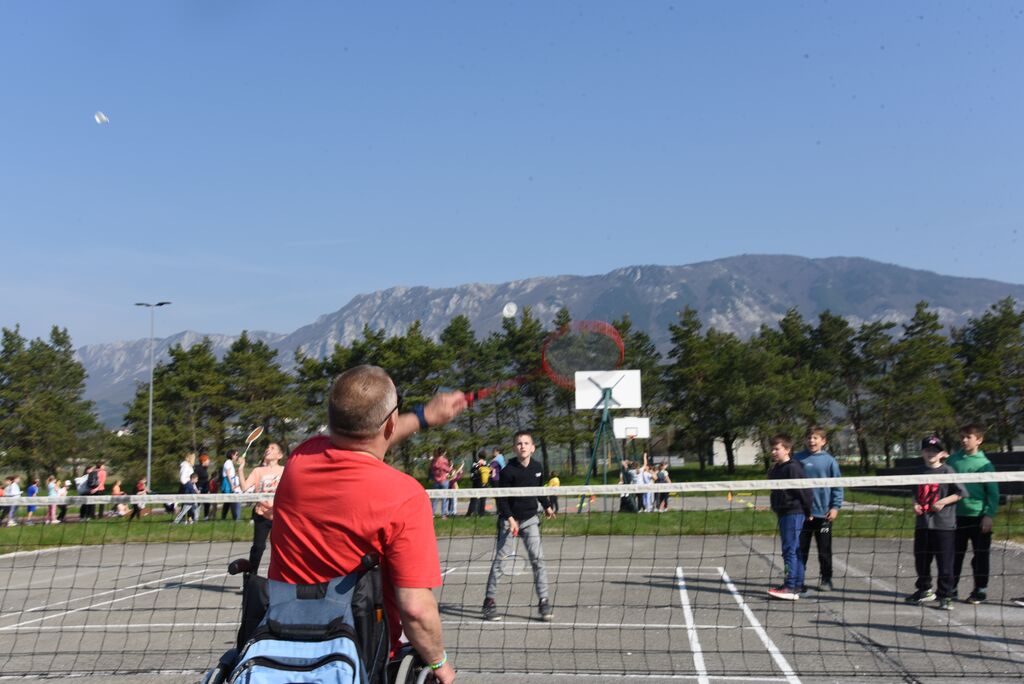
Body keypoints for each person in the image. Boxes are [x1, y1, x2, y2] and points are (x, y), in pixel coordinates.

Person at [269, 365, 466, 684]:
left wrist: (424, 416)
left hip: (281, 645)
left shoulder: (300, 459)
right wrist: (440, 663)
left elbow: (363, 433)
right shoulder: (405, 496)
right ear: (391, 423)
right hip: (362, 655)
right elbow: (415, 610)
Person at [482, 430, 557, 622]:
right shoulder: (508, 471)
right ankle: (489, 601)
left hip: (530, 519)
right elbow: (502, 499)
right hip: (509, 521)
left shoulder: (537, 467)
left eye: (526, 443)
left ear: (532, 448)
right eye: (519, 443)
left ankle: (544, 601)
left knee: (538, 559)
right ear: (514, 448)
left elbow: (539, 490)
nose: (522, 446)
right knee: (500, 561)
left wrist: (547, 506)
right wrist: (510, 519)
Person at [905, 436, 967, 611]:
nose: (931, 453)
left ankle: (946, 595)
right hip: (923, 523)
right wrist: (915, 504)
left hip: (944, 525)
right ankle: (924, 589)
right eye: (927, 450)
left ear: (942, 454)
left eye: (935, 450)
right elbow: (914, 494)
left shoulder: (948, 471)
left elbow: (961, 493)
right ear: (922, 452)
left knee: (945, 563)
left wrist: (943, 502)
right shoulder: (919, 472)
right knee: (922, 560)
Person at [948, 423, 999, 604]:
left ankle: (980, 590)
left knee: (980, 556)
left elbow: (993, 493)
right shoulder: (953, 460)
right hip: (956, 516)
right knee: (954, 555)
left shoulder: (985, 464)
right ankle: (950, 589)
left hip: (978, 517)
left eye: (968, 437)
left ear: (979, 440)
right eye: (962, 436)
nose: (964, 440)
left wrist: (988, 515)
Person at [795, 426, 843, 592]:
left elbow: (837, 486)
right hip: (802, 514)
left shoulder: (830, 461)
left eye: (815, 438)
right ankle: (798, 578)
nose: (811, 441)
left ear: (823, 441)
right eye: (809, 437)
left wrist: (835, 507)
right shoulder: (797, 459)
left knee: (824, 549)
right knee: (800, 549)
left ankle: (826, 579)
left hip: (823, 516)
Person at [766, 434, 812, 601]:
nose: (773, 452)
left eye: (777, 449)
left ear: (787, 449)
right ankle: (797, 583)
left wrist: (808, 511)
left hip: (793, 511)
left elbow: (805, 491)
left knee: (789, 550)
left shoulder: (793, 467)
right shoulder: (777, 468)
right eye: (772, 449)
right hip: (783, 512)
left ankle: (790, 586)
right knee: (794, 549)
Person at [241, 443, 286, 574]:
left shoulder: (285, 470)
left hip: (280, 515)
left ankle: (282, 577)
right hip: (262, 514)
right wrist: (240, 469)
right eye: (267, 447)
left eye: (272, 448)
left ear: (279, 455)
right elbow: (244, 488)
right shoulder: (258, 471)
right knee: (258, 547)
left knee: (283, 548)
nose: (268, 449)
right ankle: (251, 576)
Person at [429, 447, 453, 518]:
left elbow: (431, 469)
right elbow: (447, 470)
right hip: (444, 480)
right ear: (444, 452)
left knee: (435, 498)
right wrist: (451, 468)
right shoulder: (445, 461)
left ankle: (432, 514)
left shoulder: (434, 460)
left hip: (436, 480)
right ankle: (443, 514)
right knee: (444, 498)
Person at [220, 450, 243, 521]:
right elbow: (228, 475)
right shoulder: (228, 462)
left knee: (228, 501)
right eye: (236, 455)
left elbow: (231, 474)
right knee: (228, 501)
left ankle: (225, 517)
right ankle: (225, 517)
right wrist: (232, 485)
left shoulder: (230, 463)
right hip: (227, 483)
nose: (237, 456)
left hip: (229, 482)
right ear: (232, 455)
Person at [466, 452, 490, 517]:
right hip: (484, 483)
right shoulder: (487, 464)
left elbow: (471, 471)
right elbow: (490, 472)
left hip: (476, 482)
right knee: (483, 499)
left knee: (473, 498)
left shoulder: (475, 463)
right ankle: (481, 514)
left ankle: (469, 513)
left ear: (478, 456)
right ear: (485, 457)